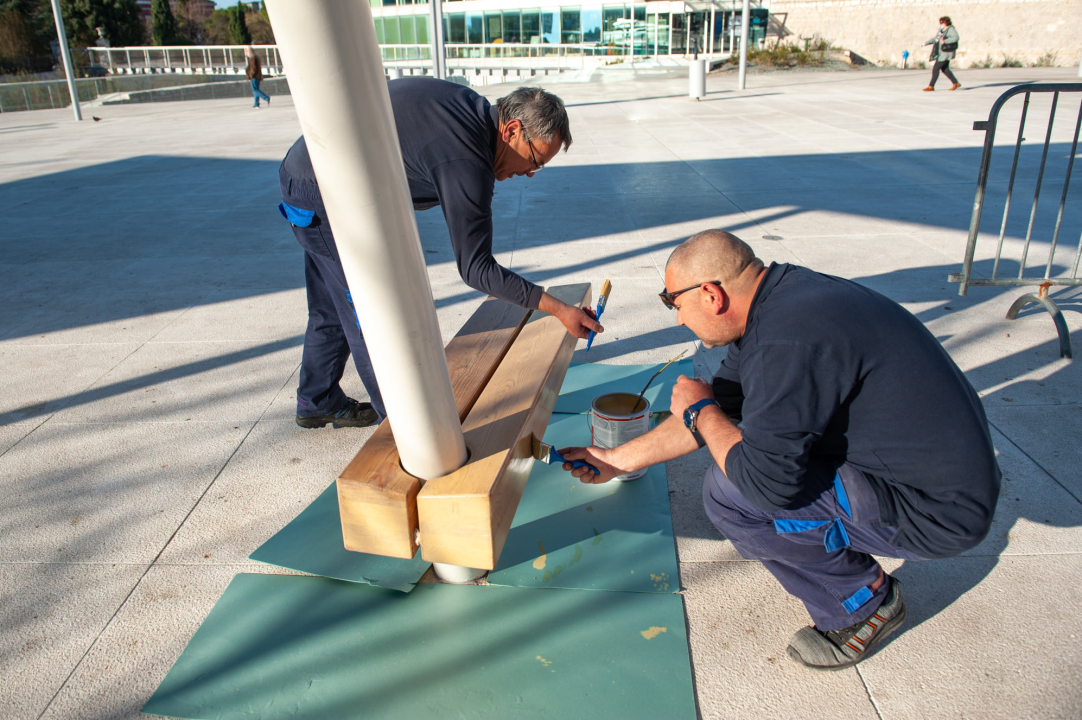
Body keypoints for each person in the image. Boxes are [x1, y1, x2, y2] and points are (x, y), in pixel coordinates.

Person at [559, 230, 1001, 670]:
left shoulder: (783, 342)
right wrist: (614, 460)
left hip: (937, 513)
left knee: (732, 494)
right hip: (934, 474)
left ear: (710, 294)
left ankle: (863, 606)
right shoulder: (784, 299)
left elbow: (766, 484)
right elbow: (723, 404)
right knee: (739, 446)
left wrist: (702, 412)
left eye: (673, 302)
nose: (676, 318)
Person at [279, 81, 602, 429]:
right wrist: (557, 308)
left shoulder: (471, 112)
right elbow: (476, 268)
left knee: (332, 304)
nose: (529, 173)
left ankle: (317, 400)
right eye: (534, 159)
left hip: (312, 170)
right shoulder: (467, 157)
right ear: (511, 130)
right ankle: (410, 436)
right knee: (371, 314)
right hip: (324, 193)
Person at [923, 17, 961, 91]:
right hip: (941, 52)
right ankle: (955, 82)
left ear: (946, 22)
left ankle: (931, 86)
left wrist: (946, 41)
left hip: (946, 53)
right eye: (940, 23)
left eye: (941, 22)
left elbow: (956, 38)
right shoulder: (941, 30)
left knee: (935, 69)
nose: (940, 24)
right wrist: (926, 43)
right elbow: (936, 39)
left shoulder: (950, 29)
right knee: (945, 69)